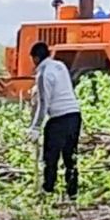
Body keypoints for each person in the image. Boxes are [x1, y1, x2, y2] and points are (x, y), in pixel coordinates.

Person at [29, 42, 82, 199]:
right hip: (74, 115)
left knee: (51, 156)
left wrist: (35, 127)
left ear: (36, 58)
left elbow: (44, 102)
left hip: (59, 118)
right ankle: (72, 192)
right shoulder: (60, 66)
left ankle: (48, 189)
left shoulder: (43, 73)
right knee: (70, 155)